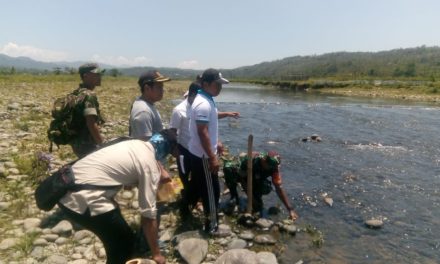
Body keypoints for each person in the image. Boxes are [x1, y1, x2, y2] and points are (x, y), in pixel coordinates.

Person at [58, 129, 177, 264]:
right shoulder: (148, 164)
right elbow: (148, 216)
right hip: (81, 199)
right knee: (123, 246)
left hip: (65, 187)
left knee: (120, 237)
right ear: (165, 151)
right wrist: (157, 254)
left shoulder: (134, 143)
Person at [188, 68, 230, 233]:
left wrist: (216, 142)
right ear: (205, 84)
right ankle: (212, 226)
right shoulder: (203, 104)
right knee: (212, 191)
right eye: (217, 84)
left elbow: (208, 128)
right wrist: (212, 157)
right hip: (204, 156)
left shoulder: (206, 99)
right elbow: (202, 132)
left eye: (221, 84)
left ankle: (186, 208)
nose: (220, 87)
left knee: (198, 186)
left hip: (199, 152)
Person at [223, 151, 299, 221]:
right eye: (269, 166)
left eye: (273, 167)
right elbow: (242, 179)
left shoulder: (274, 168)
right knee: (228, 168)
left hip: (256, 178)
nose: (271, 168)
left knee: (266, 189)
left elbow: (279, 187)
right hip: (242, 174)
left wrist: (290, 209)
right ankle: (233, 196)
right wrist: (251, 197)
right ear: (263, 160)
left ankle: (257, 196)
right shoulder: (250, 160)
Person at [169, 82, 200, 217]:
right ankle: (184, 202)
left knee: (196, 176)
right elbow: (172, 131)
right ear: (192, 95)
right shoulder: (179, 110)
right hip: (183, 149)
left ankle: (189, 198)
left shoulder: (199, 108)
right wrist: (174, 148)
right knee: (183, 175)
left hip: (196, 149)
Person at [70, 63, 105, 157]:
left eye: (100, 74)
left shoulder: (77, 92)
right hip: (87, 144)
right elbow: (91, 123)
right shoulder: (88, 96)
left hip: (76, 143)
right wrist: (102, 145)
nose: (100, 77)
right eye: (96, 74)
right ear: (86, 76)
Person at [129, 70, 170, 140]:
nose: (163, 90)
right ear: (147, 88)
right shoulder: (143, 111)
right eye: (159, 87)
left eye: (162, 87)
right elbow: (145, 144)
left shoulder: (148, 104)